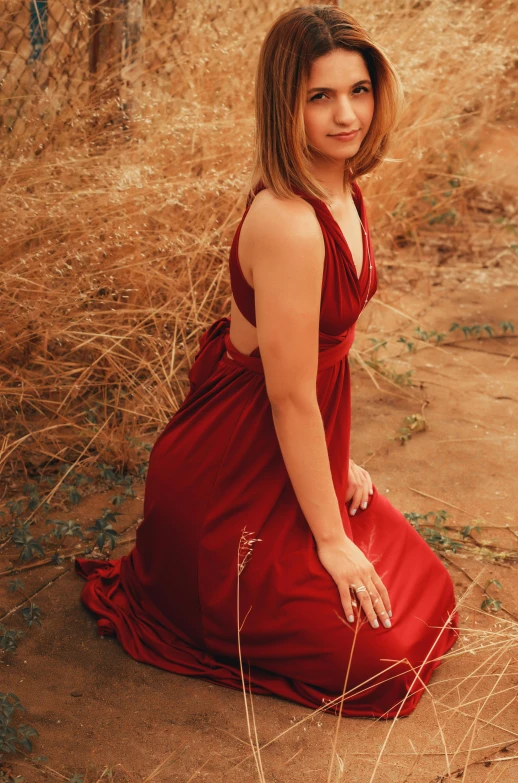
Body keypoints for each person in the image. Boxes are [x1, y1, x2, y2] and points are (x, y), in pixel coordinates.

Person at [75, 4, 459, 719]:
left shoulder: (343, 185)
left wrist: (335, 462)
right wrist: (331, 542)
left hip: (296, 438)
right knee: (388, 656)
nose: (347, 115)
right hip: (233, 467)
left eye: (359, 90)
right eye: (320, 96)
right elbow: (287, 396)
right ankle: (195, 588)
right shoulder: (287, 221)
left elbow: (314, 373)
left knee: (429, 591)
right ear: (285, 104)